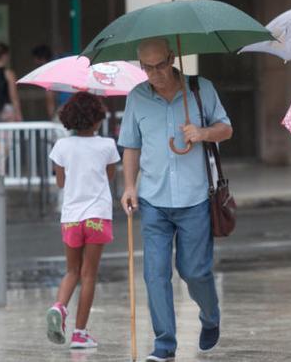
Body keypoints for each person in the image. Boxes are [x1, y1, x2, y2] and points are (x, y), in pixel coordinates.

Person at [118, 38, 232, 362]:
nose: (156, 73)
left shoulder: (200, 89)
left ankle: (210, 317)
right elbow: (131, 145)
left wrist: (202, 133)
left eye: (160, 65)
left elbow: (227, 128)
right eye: (148, 67)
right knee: (154, 273)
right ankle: (164, 345)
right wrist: (129, 185)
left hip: (196, 198)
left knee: (194, 271)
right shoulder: (137, 98)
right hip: (153, 198)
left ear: (172, 58)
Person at [45, 92, 120, 349]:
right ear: (98, 119)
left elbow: (61, 182)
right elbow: (109, 176)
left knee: (71, 271)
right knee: (89, 275)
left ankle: (58, 307)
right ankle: (80, 333)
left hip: (71, 219)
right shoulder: (108, 146)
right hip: (97, 217)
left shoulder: (62, 147)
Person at [31, 44, 58, 120]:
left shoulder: (48, 71)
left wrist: (51, 117)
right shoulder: (57, 66)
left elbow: (50, 98)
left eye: (35, 58)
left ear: (41, 58)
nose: (34, 61)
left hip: (61, 109)